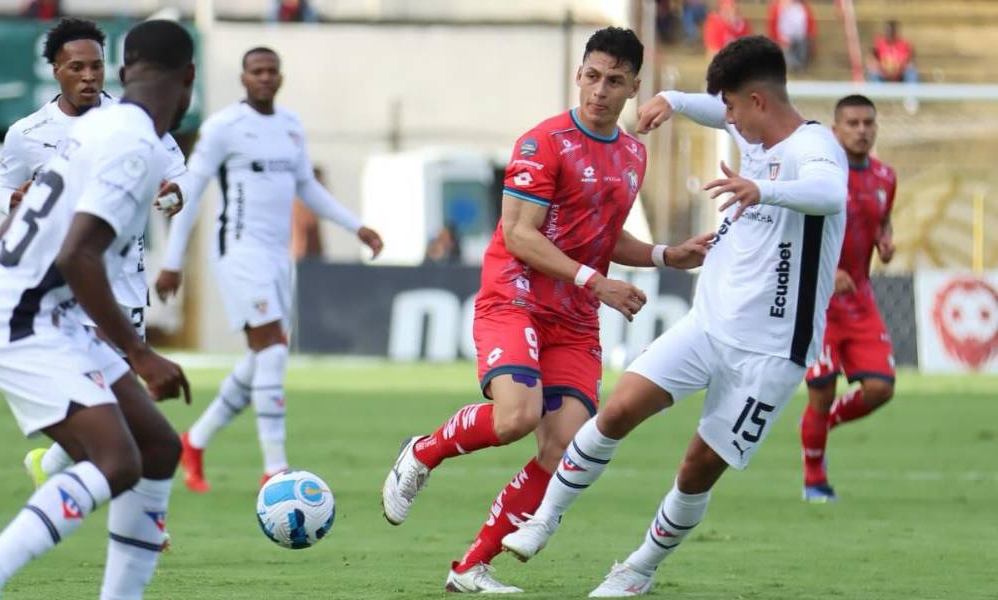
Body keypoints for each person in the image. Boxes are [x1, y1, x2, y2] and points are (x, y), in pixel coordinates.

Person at [500, 36, 848, 597]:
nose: (728, 121)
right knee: (616, 410)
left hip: (773, 352)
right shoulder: (754, 128)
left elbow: (829, 194)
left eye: (732, 108)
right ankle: (545, 518)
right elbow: (716, 109)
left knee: (695, 468)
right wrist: (675, 99)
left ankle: (637, 568)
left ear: (757, 101)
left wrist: (762, 188)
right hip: (708, 326)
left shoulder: (816, 150)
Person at [381, 27, 713, 593]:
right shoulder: (543, 142)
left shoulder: (633, 154)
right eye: (591, 76)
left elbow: (600, 236)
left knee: (564, 447)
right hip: (516, 296)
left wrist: (662, 254)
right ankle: (423, 452)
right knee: (517, 417)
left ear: (635, 86)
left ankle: (470, 568)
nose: (599, 90)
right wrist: (598, 281)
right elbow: (519, 234)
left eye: (614, 81)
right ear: (577, 75)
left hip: (575, 316)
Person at [0, 19, 195, 600]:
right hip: (20, 317)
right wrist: (142, 355)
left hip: (47, 309)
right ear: (189, 82)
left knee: (158, 449)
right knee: (117, 459)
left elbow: (45, 231)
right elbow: (78, 254)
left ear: (121, 74)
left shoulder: (105, 128)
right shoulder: (133, 144)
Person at [159, 47, 384, 493]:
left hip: (277, 259)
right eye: (256, 71)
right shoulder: (223, 128)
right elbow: (191, 190)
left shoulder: (290, 127)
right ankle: (275, 467)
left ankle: (195, 440)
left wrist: (355, 226)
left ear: (280, 78)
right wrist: (171, 262)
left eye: (271, 71)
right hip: (239, 254)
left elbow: (307, 188)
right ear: (243, 78)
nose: (264, 78)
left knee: (263, 357)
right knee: (273, 353)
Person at [0, 18, 189, 488]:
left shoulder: (134, 121)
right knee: (115, 409)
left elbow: (181, 180)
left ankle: (55, 470)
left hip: (123, 281)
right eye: (77, 67)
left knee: (116, 408)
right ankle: (141, 521)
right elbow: (5, 185)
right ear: (56, 71)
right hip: (64, 285)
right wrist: (13, 202)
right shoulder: (28, 133)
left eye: (97, 66)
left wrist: (168, 196)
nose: (89, 76)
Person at [801, 94, 896, 502]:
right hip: (819, 302)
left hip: (860, 302)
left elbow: (881, 219)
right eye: (853, 124)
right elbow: (797, 230)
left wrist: (885, 238)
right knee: (821, 390)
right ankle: (814, 482)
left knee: (881, 388)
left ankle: (827, 421)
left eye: (868, 123)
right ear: (835, 130)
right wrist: (827, 269)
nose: (862, 131)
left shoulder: (886, 177)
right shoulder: (821, 176)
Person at [768, 0, 816, 72]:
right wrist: (781, 39)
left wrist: (810, 36)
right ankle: (795, 67)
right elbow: (773, 27)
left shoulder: (802, 7)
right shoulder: (777, 7)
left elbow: (809, 23)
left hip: (801, 38)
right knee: (785, 51)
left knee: (802, 50)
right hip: (783, 38)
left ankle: (799, 66)